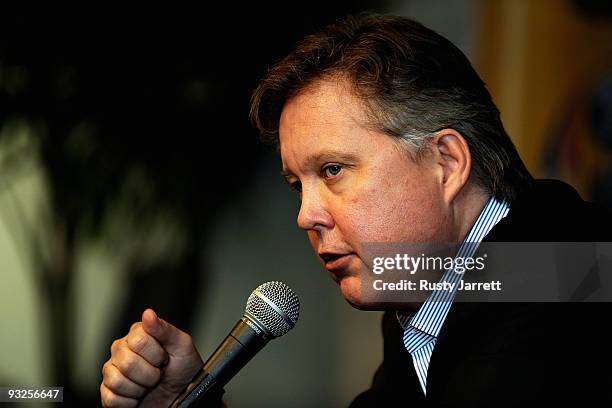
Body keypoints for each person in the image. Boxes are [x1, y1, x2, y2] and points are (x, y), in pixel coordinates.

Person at [100, 14, 612, 407]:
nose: (306, 215)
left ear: (447, 162)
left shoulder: (567, 284)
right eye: (296, 184)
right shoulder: (431, 292)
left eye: (332, 171)